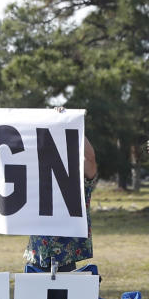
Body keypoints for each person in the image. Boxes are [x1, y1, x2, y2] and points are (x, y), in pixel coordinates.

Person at [23, 110, 98, 272]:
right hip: (37, 254)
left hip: (64, 257)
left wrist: (71, 124)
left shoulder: (78, 176)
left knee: (63, 297)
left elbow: (90, 158)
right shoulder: (38, 174)